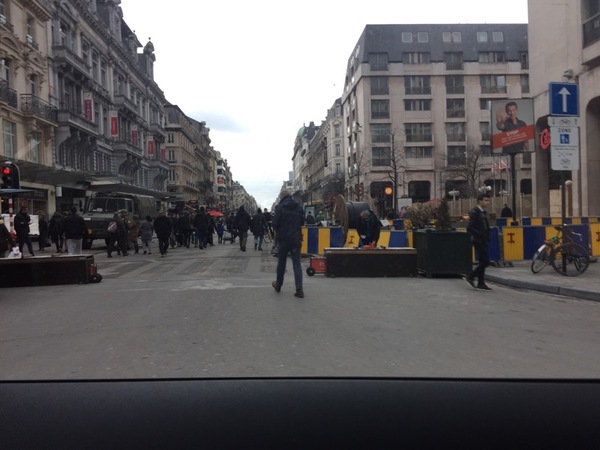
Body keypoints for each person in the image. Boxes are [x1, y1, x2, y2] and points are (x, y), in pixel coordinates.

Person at [272, 190, 305, 298]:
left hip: (284, 239)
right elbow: (302, 222)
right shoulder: (299, 207)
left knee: (282, 262)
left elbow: (275, 223)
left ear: (282, 197)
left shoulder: (280, 207)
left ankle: (279, 284)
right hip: (296, 238)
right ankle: (299, 289)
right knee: (297, 263)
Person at [465, 193, 492, 291]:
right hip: (478, 240)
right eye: (485, 200)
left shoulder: (482, 212)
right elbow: (470, 227)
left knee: (482, 261)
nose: (487, 202)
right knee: (485, 261)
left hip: (483, 239)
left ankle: (481, 283)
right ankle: (471, 276)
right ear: (480, 201)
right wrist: (480, 234)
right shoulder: (475, 212)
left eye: (488, 200)